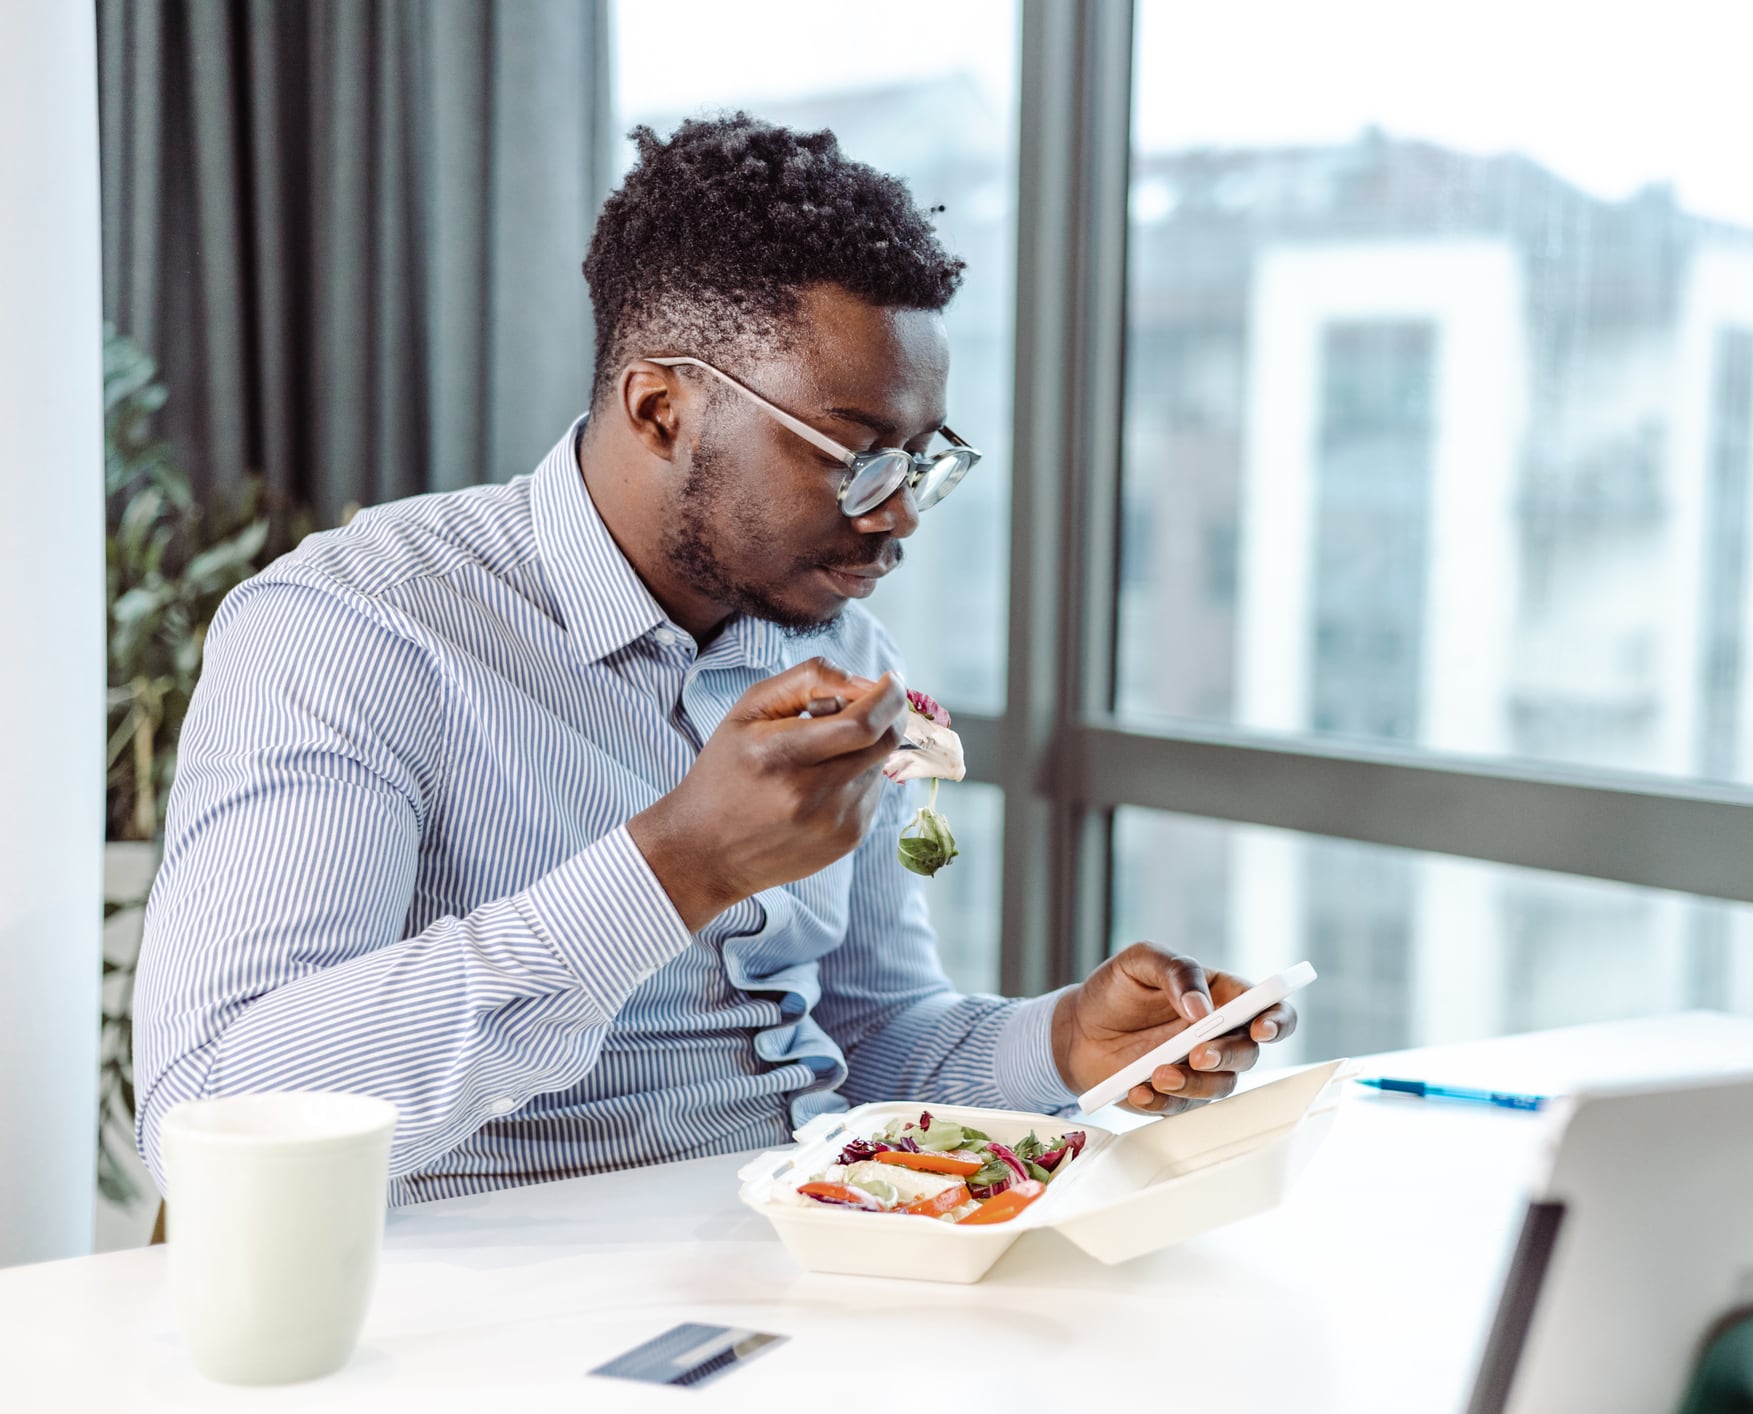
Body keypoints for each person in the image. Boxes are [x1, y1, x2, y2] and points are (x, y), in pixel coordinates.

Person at [133, 114, 1297, 1205]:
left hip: (810, 1259)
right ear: (658, 409)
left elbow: (868, 1039)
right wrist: (673, 866)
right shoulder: (353, 629)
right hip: (505, 1303)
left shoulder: (838, 642)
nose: (899, 518)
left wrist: (1060, 1043)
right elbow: (213, 1110)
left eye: (922, 461)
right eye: (856, 457)